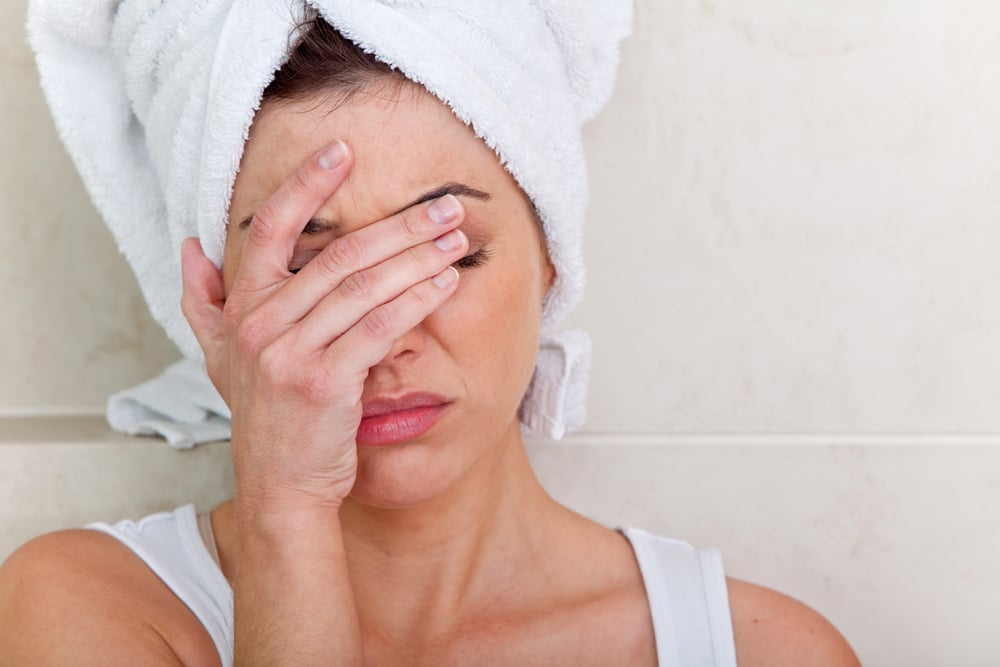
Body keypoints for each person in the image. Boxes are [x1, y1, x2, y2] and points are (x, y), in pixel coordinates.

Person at [3, 3, 860, 665]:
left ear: (552, 258)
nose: (382, 336)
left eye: (447, 252)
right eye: (310, 274)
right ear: (215, 297)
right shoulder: (90, 611)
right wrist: (287, 508)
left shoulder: (763, 650)